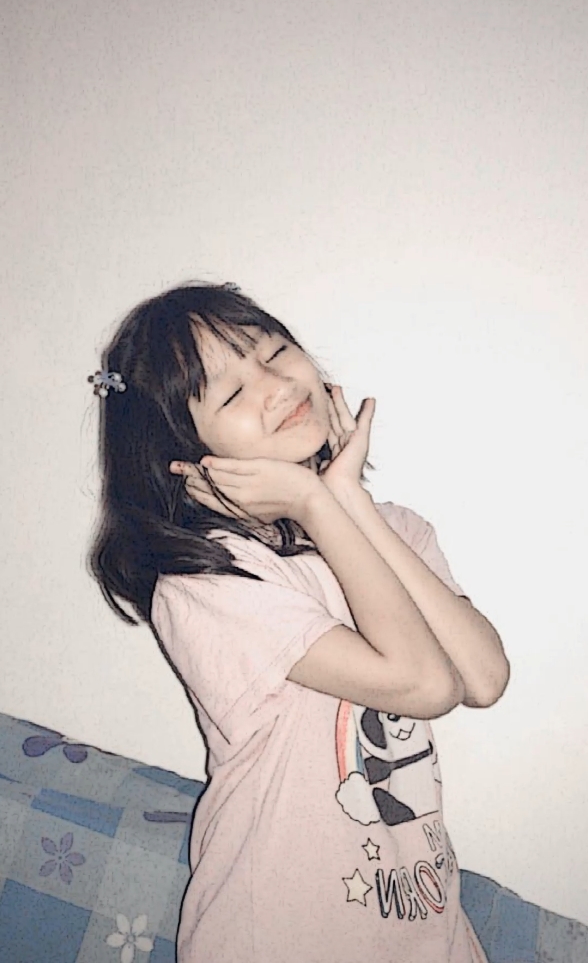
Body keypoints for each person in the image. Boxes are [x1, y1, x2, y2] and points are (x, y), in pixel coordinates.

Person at [88, 281, 510, 963]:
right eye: (231, 393)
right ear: (186, 452)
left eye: (275, 352)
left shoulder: (398, 530)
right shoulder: (210, 580)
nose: (276, 385)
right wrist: (314, 502)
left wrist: (347, 499)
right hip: (275, 934)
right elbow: (425, 685)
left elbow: (484, 679)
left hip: (426, 929)